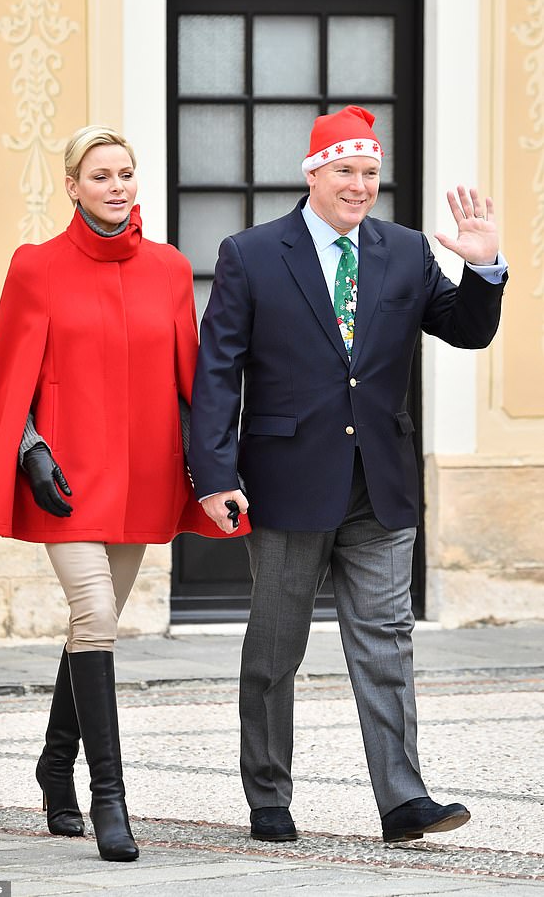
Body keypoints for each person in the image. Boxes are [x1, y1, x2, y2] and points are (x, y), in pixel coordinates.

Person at [188, 106, 507, 844]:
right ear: (313, 174)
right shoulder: (253, 253)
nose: (360, 185)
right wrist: (213, 472)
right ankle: (268, 796)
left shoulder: (404, 252)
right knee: (275, 648)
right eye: (345, 171)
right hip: (286, 479)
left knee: (387, 640)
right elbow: (217, 373)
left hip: (380, 481)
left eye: (369, 172)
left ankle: (403, 801)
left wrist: (483, 267)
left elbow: (468, 329)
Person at [0, 125, 248, 862]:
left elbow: (191, 388)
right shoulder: (36, 267)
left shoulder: (171, 270)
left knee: (94, 623)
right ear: (72, 186)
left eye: (126, 174)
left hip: (143, 478)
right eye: (101, 175)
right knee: (96, 614)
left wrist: (214, 477)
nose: (117, 186)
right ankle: (110, 796)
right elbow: (5, 374)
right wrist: (31, 452)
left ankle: (53, 765)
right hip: (68, 482)